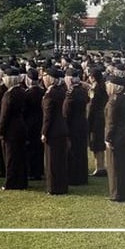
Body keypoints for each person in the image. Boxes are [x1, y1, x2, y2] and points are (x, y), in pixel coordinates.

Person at [104, 74, 125, 202]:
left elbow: (111, 122)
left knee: (114, 165)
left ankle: (116, 193)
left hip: (116, 135)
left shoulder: (113, 101)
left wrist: (108, 137)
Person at [0, 67, 28, 191]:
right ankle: (22, 181)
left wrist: (0, 130)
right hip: (21, 126)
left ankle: (11, 182)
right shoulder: (22, 91)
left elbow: (4, 115)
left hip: (11, 129)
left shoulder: (8, 95)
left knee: (10, 157)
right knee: (20, 156)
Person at [41, 67, 69, 195]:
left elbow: (48, 116)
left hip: (53, 130)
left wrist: (44, 132)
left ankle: (53, 187)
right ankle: (62, 185)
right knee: (60, 160)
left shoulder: (49, 94)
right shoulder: (62, 90)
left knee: (51, 160)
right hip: (62, 127)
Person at [63, 66, 89, 186]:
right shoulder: (83, 91)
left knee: (72, 151)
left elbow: (66, 112)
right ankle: (82, 176)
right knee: (81, 151)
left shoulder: (71, 93)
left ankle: (73, 177)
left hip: (72, 125)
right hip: (82, 123)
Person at [86, 68, 109, 177]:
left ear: (93, 77)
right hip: (102, 117)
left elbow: (92, 105)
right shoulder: (103, 86)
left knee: (96, 143)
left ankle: (99, 167)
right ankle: (101, 166)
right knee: (99, 142)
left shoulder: (95, 89)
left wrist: (88, 121)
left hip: (96, 118)